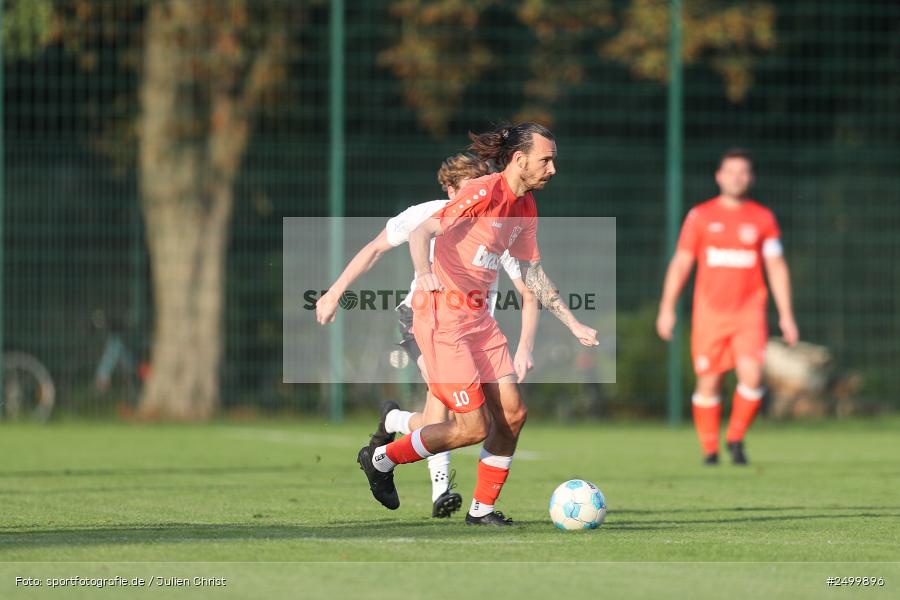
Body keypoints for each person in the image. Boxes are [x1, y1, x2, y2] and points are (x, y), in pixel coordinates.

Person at [357, 122, 599, 526]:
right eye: (546, 160)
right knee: (470, 427)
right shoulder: (482, 191)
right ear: (520, 160)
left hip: (479, 322)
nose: (553, 168)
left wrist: (572, 323)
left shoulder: (524, 206)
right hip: (442, 321)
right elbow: (422, 230)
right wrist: (424, 272)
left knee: (514, 413)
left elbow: (532, 272)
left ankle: (481, 510)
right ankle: (380, 459)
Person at [316, 153, 539, 517]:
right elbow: (374, 250)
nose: (477, 195)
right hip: (424, 320)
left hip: (477, 329)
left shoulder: (498, 215)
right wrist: (334, 291)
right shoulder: (425, 214)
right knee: (456, 415)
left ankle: (393, 423)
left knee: (466, 419)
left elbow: (528, 286)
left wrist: (526, 344)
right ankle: (439, 490)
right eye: (468, 190)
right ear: (450, 190)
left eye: (482, 188)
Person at [656, 148, 799, 465]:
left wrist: (787, 316)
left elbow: (776, 267)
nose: (737, 177)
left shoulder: (762, 218)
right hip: (710, 315)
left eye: (743, 172)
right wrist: (667, 307)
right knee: (710, 380)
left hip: (749, 313)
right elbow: (681, 263)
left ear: (751, 177)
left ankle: (735, 437)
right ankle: (710, 448)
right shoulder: (701, 216)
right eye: (731, 171)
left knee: (752, 376)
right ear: (719, 176)